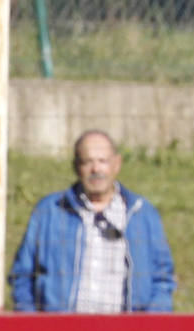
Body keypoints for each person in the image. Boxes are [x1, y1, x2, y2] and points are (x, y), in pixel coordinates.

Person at [10, 130, 176, 313]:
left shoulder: (142, 214)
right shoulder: (49, 211)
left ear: (117, 164)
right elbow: (22, 276)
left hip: (125, 328)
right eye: (87, 162)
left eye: (103, 161)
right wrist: (33, 322)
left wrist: (149, 325)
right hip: (61, 326)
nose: (96, 169)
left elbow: (163, 279)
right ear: (76, 167)